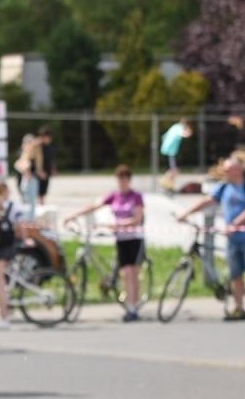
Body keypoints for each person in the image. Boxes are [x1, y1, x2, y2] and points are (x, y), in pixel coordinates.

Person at [176, 155, 245, 319]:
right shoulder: (223, 187)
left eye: (227, 170)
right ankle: (238, 308)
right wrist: (186, 213)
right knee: (235, 275)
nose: (224, 173)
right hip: (232, 239)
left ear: (237, 171)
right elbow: (207, 201)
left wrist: (235, 224)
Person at [62, 165, 146, 321]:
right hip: (120, 239)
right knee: (124, 274)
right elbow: (94, 206)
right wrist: (72, 215)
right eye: (120, 180)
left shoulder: (136, 197)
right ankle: (129, 303)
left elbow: (137, 219)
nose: (122, 183)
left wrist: (118, 224)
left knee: (132, 273)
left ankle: (133, 308)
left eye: (124, 180)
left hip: (135, 238)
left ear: (129, 180)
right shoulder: (114, 196)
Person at [0, 180, 25, 330]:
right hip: (9, 247)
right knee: (1, 282)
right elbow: (20, 227)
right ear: (6, 191)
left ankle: (3, 317)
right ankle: (3, 307)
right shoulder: (13, 206)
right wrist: (25, 240)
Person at [160, 119, 193, 191]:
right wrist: (189, 132)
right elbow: (184, 134)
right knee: (174, 170)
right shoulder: (179, 128)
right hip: (170, 151)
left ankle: (168, 183)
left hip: (166, 150)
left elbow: (164, 136)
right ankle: (167, 183)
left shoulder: (174, 126)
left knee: (172, 169)